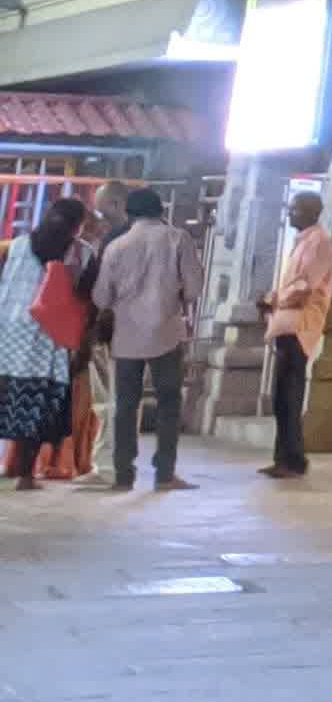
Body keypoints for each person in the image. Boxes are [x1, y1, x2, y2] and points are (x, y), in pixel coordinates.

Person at [90, 185, 201, 493]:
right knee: (169, 403)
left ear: (129, 213)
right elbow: (193, 289)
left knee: (125, 405)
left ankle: (123, 474)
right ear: (160, 211)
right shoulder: (179, 238)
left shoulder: (117, 246)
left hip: (126, 336)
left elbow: (101, 297)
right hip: (166, 333)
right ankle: (164, 474)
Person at [1, 196, 96, 489]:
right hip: (48, 337)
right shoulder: (81, 252)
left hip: (8, 333)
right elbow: (88, 296)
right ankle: (26, 475)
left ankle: (10, 467)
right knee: (36, 403)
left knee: (6, 396)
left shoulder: (17, 245)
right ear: (78, 225)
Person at [258, 188, 332, 480]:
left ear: (313, 213)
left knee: (289, 397)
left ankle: (293, 460)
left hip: (300, 327)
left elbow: (304, 287)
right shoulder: (303, 242)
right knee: (281, 397)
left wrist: (275, 300)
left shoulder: (319, 243)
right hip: (287, 325)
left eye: (295, 208)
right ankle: (284, 458)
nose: (290, 213)